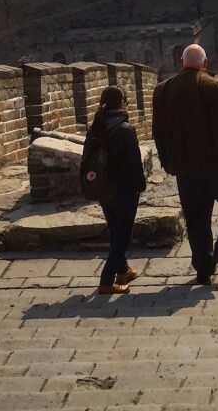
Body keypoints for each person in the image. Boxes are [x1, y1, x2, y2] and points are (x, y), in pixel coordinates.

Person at [152, 43, 218, 285]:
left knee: (196, 218)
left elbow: (158, 131)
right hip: (216, 165)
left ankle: (204, 269)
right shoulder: (212, 86)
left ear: (182, 63)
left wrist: (166, 162)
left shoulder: (162, 90)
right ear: (205, 64)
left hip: (185, 169)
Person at [90, 85, 146, 296]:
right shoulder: (125, 129)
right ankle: (106, 281)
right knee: (123, 235)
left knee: (116, 229)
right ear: (121, 104)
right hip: (124, 189)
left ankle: (123, 271)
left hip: (104, 188)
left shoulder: (95, 127)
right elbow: (134, 163)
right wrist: (140, 185)